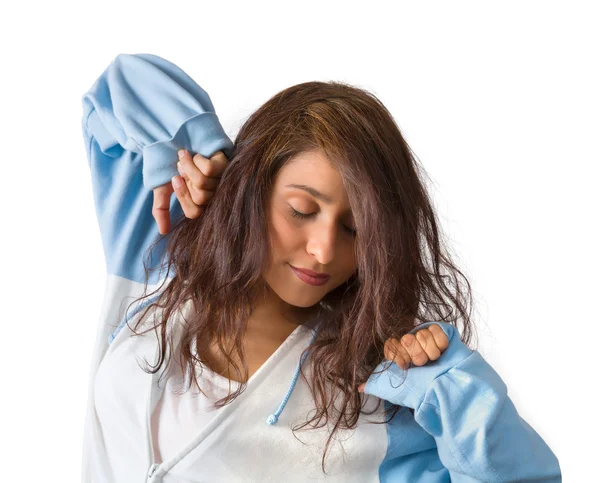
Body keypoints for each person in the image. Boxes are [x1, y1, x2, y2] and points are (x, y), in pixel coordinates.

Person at [80, 52, 562, 482]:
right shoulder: (162, 253)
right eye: (301, 210)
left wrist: (453, 391)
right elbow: (114, 90)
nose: (324, 251)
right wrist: (199, 150)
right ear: (252, 191)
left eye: (355, 229)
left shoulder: (372, 399)